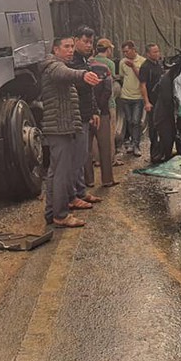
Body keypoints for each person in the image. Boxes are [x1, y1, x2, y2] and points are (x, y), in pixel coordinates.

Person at [40, 36, 101, 228]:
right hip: (60, 128)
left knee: (54, 173)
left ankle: (52, 213)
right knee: (62, 173)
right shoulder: (53, 66)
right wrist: (82, 75)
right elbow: (65, 73)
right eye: (66, 47)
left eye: (72, 47)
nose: (70, 50)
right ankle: (60, 215)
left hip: (60, 128)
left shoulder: (56, 66)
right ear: (55, 49)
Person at [69, 26, 103, 206]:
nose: (89, 45)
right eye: (85, 41)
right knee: (76, 157)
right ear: (75, 40)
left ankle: (81, 192)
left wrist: (94, 112)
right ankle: (74, 195)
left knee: (82, 156)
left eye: (91, 42)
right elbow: (78, 88)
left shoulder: (84, 61)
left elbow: (89, 92)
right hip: (76, 117)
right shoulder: (71, 63)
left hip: (85, 115)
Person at [88, 40, 118, 187]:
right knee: (105, 145)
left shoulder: (79, 68)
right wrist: (100, 108)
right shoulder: (105, 67)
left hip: (85, 114)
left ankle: (89, 181)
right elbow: (108, 89)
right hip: (103, 111)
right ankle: (107, 179)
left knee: (87, 149)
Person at [93, 38, 124, 167]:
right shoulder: (109, 63)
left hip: (94, 102)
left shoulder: (91, 61)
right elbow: (109, 85)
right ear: (108, 49)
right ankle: (111, 159)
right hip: (108, 102)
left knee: (95, 133)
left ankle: (97, 159)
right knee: (109, 133)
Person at [119, 40, 145, 156]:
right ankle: (131, 143)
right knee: (129, 121)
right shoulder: (122, 62)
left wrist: (133, 66)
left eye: (127, 51)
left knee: (136, 121)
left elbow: (142, 78)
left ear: (133, 49)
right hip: (125, 96)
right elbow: (122, 77)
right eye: (123, 52)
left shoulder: (142, 61)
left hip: (138, 96)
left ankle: (136, 145)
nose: (125, 54)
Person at [139, 44, 164, 163]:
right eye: (154, 52)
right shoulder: (145, 67)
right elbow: (142, 85)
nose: (157, 54)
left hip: (162, 101)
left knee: (163, 127)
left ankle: (162, 152)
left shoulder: (159, 65)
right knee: (153, 129)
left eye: (158, 51)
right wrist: (147, 102)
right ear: (148, 54)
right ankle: (154, 155)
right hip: (152, 102)